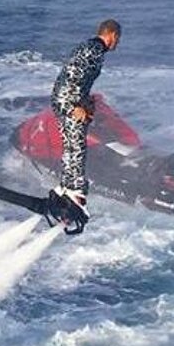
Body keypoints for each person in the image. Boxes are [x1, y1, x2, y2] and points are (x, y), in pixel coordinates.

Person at [49, 19, 121, 225]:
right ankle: (76, 193)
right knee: (78, 147)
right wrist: (75, 106)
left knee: (71, 146)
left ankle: (65, 187)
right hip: (67, 102)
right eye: (118, 39)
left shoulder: (88, 47)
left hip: (61, 100)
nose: (118, 44)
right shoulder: (95, 51)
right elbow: (74, 77)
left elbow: (78, 79)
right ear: (112, 35)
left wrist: (86, 101)